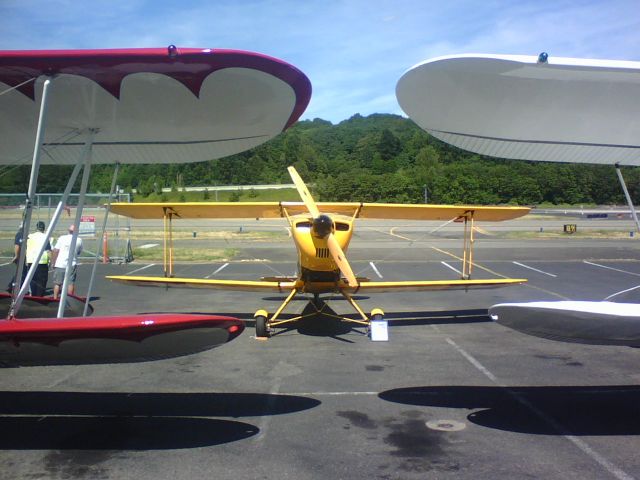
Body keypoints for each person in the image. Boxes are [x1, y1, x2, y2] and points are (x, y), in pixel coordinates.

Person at [51, 224, 83, 299]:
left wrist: (53, 262)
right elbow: (79, 251)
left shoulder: (62, 238)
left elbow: (55, 250)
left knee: (57, 283)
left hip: (60, 263)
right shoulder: (79, 240)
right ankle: (69, 299)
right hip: (72, 264)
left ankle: (55, 298)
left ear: (68, 231)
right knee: (70, 283)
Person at [25, 221, 52, 297]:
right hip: (42, 262)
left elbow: (26, 248)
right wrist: (51, 262)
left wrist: (26, 259)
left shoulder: (30, 236)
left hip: (31, 261)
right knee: (41, 281)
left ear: (36, 228)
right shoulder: (45, 237)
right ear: (44, 228)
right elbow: (48, 251)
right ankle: (39, 297)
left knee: (32, 279)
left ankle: (33, 295)